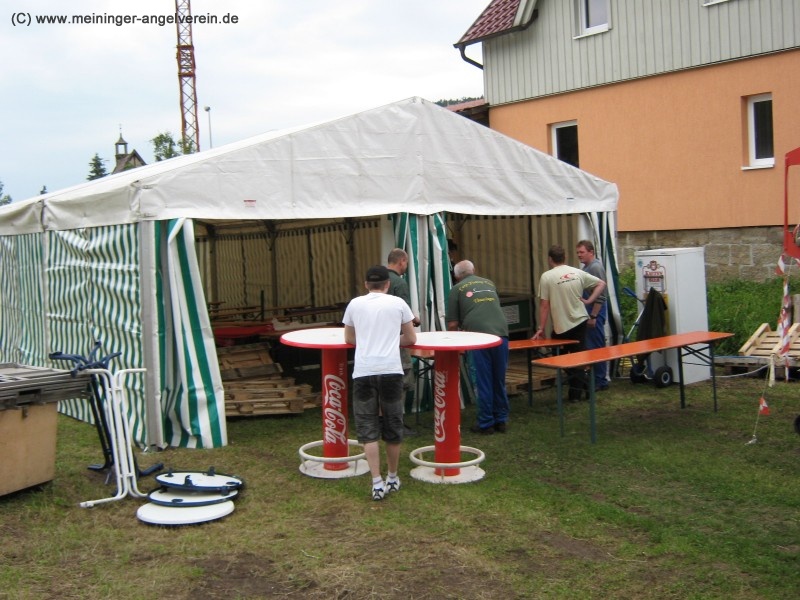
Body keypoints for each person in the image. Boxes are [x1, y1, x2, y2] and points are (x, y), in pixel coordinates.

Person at [343, 265, 417, 501]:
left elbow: (349, 338)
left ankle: (376, 482)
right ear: (387, 284)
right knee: (393, 423)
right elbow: (411, 338)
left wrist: (369, 341)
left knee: (367, 427)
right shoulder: (398, 303)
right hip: (391, 371)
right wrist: (392, 341)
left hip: (364, 371)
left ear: (366, 284)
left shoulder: (354, 304)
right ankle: (392, 477)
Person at [533, 245, 606, 401]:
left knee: (559, 356)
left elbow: (544, 305)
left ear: (550, 259)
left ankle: (578, 389)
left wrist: (541, 327)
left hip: (563, 325)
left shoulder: (547, 277)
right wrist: (589, 300)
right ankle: (581, 389)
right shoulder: (577, 272)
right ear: (564, 258)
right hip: (580, 320)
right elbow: (601, 284)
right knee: (577, 357)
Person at [446, 260, 510, 435]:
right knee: (498, 378)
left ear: (456, 276)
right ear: (473, 270)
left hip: (478, 337)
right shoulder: (489, 283)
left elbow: (452, 324)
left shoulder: (456, 289)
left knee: (483, 381)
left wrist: (455, 344)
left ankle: (486, 423)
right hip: (501, 334)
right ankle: (501, 419)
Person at [386, 249, 421, 423]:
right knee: (401, 381)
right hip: (397, 340)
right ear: (401, 261)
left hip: (378, 341)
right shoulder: (399, 283)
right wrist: (415, 319)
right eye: (406, 262)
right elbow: (403, 314)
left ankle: (382, 420)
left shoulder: (377, 281)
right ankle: (396, 423)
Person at [576, 240, 609, 391]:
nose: (579, 255)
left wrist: (594, 316)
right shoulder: (586, 267)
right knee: (591, 345)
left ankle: (600, 381)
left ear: (591, 252)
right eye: (578, 252)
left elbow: (601, 295)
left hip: (596, 310)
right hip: (590, 310)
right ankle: (595, 378)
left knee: (597, 346)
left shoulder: (595, 267)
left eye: (582, 252)